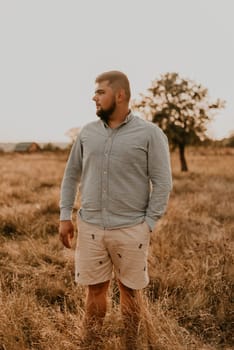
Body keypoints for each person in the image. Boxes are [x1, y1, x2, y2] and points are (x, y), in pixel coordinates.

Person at [59, 70, 172, 349]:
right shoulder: (87, 133)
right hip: (91, 228)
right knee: (94, 290)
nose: (94, 98)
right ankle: (92, 343)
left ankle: (130, 344)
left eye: (100, 92)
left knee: (130, 293)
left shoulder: (150, 134)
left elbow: (163, 182)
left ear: (119, 95)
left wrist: (148, 223)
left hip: (131, 228)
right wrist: (65, 216)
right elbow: (71, 175)